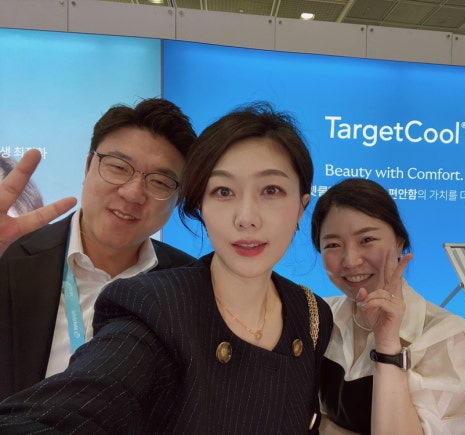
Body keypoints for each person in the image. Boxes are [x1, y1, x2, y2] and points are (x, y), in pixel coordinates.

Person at [0, 102, 334, 434]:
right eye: (224, 191)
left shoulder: (310, 314)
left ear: (301, 205)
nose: (246, 218)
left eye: (272, 190)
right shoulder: (154, 304)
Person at [0, 98, 197, 401]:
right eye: (118, 167)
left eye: (159, 181)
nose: (133, 193)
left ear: (178, 198)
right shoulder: (10, 259)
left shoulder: (191, 286)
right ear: (88, 166)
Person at [311, 178, 465, 435]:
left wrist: (387, 345)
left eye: (367, 239)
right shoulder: (317, 316)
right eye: (333, 245)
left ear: (399, 244)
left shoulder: (453, 343)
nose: (351, 260)